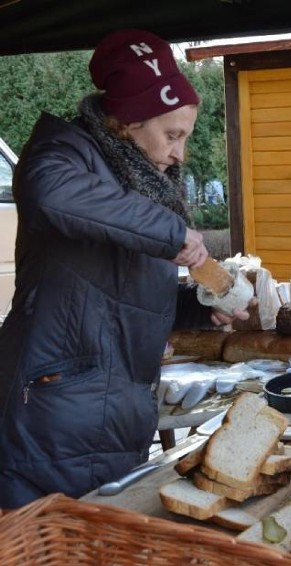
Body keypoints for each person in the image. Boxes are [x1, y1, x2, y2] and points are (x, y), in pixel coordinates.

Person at [0, 29, 249, 508]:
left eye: (185, 138)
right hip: (56, 410)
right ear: (126, 124)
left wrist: (196, 308)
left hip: (115, 410)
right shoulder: (62, 154)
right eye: (172, 135)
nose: (179, 154)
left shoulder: (138, 183)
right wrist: (173, 235)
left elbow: (117, 294)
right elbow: (51, 193)